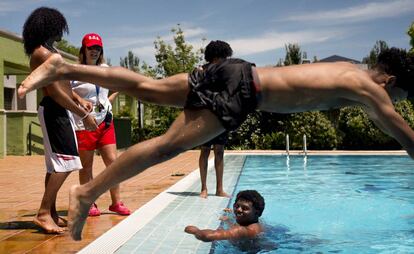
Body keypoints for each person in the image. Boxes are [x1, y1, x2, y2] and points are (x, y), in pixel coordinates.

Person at [18, 44, 414, 240]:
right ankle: (87, 192)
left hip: (235, 71)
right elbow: (403, 134)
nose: (393, 104)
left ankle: (63, 65)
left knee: (148, 87)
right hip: (244, 93)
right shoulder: (370, 87)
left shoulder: (348, 68)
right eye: (399, 98)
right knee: (167, 147)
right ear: (391, 82)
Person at [21, 7, 97, 234]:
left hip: (60, 109)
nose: (61, 31)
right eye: (58, 26)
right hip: (55, 110)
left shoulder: (49, 51)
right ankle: (43, 213)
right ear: (48, 26)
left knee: (57, 165)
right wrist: (83, 114)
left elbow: (61, 84)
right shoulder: (42, 53)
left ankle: (51, 213)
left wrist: (78, 98)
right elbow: (53, 91)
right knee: (68, 162)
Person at [71, 33, 130, 216]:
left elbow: (117, 86)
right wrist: (80, 99)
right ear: (84, 49)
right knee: (86, 166)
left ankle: (116, 203)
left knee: (113, 163)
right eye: (91, 48)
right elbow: (65, 91)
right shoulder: (75, 70)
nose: (94, 51)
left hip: (105, 122)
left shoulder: (105, 69)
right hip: (84, 123)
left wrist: (108, 101)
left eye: (98, 48)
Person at [197, 40, 232, 198]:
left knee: (219, 151)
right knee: (205, 151)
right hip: (205, 117)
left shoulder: (227, 73)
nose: (226, 59)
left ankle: (219, 189)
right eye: (224, 56)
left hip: (221, 116)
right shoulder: (201, 71)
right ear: (216, 57)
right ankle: (204, 188)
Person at [185, 190, 265, 242]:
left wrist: (195, 231)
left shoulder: (242, 231)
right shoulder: (256, 225)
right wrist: (228, 220)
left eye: (245, 208)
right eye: (237, 206)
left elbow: (208, 236)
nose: (238, 210)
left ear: (257, 213)